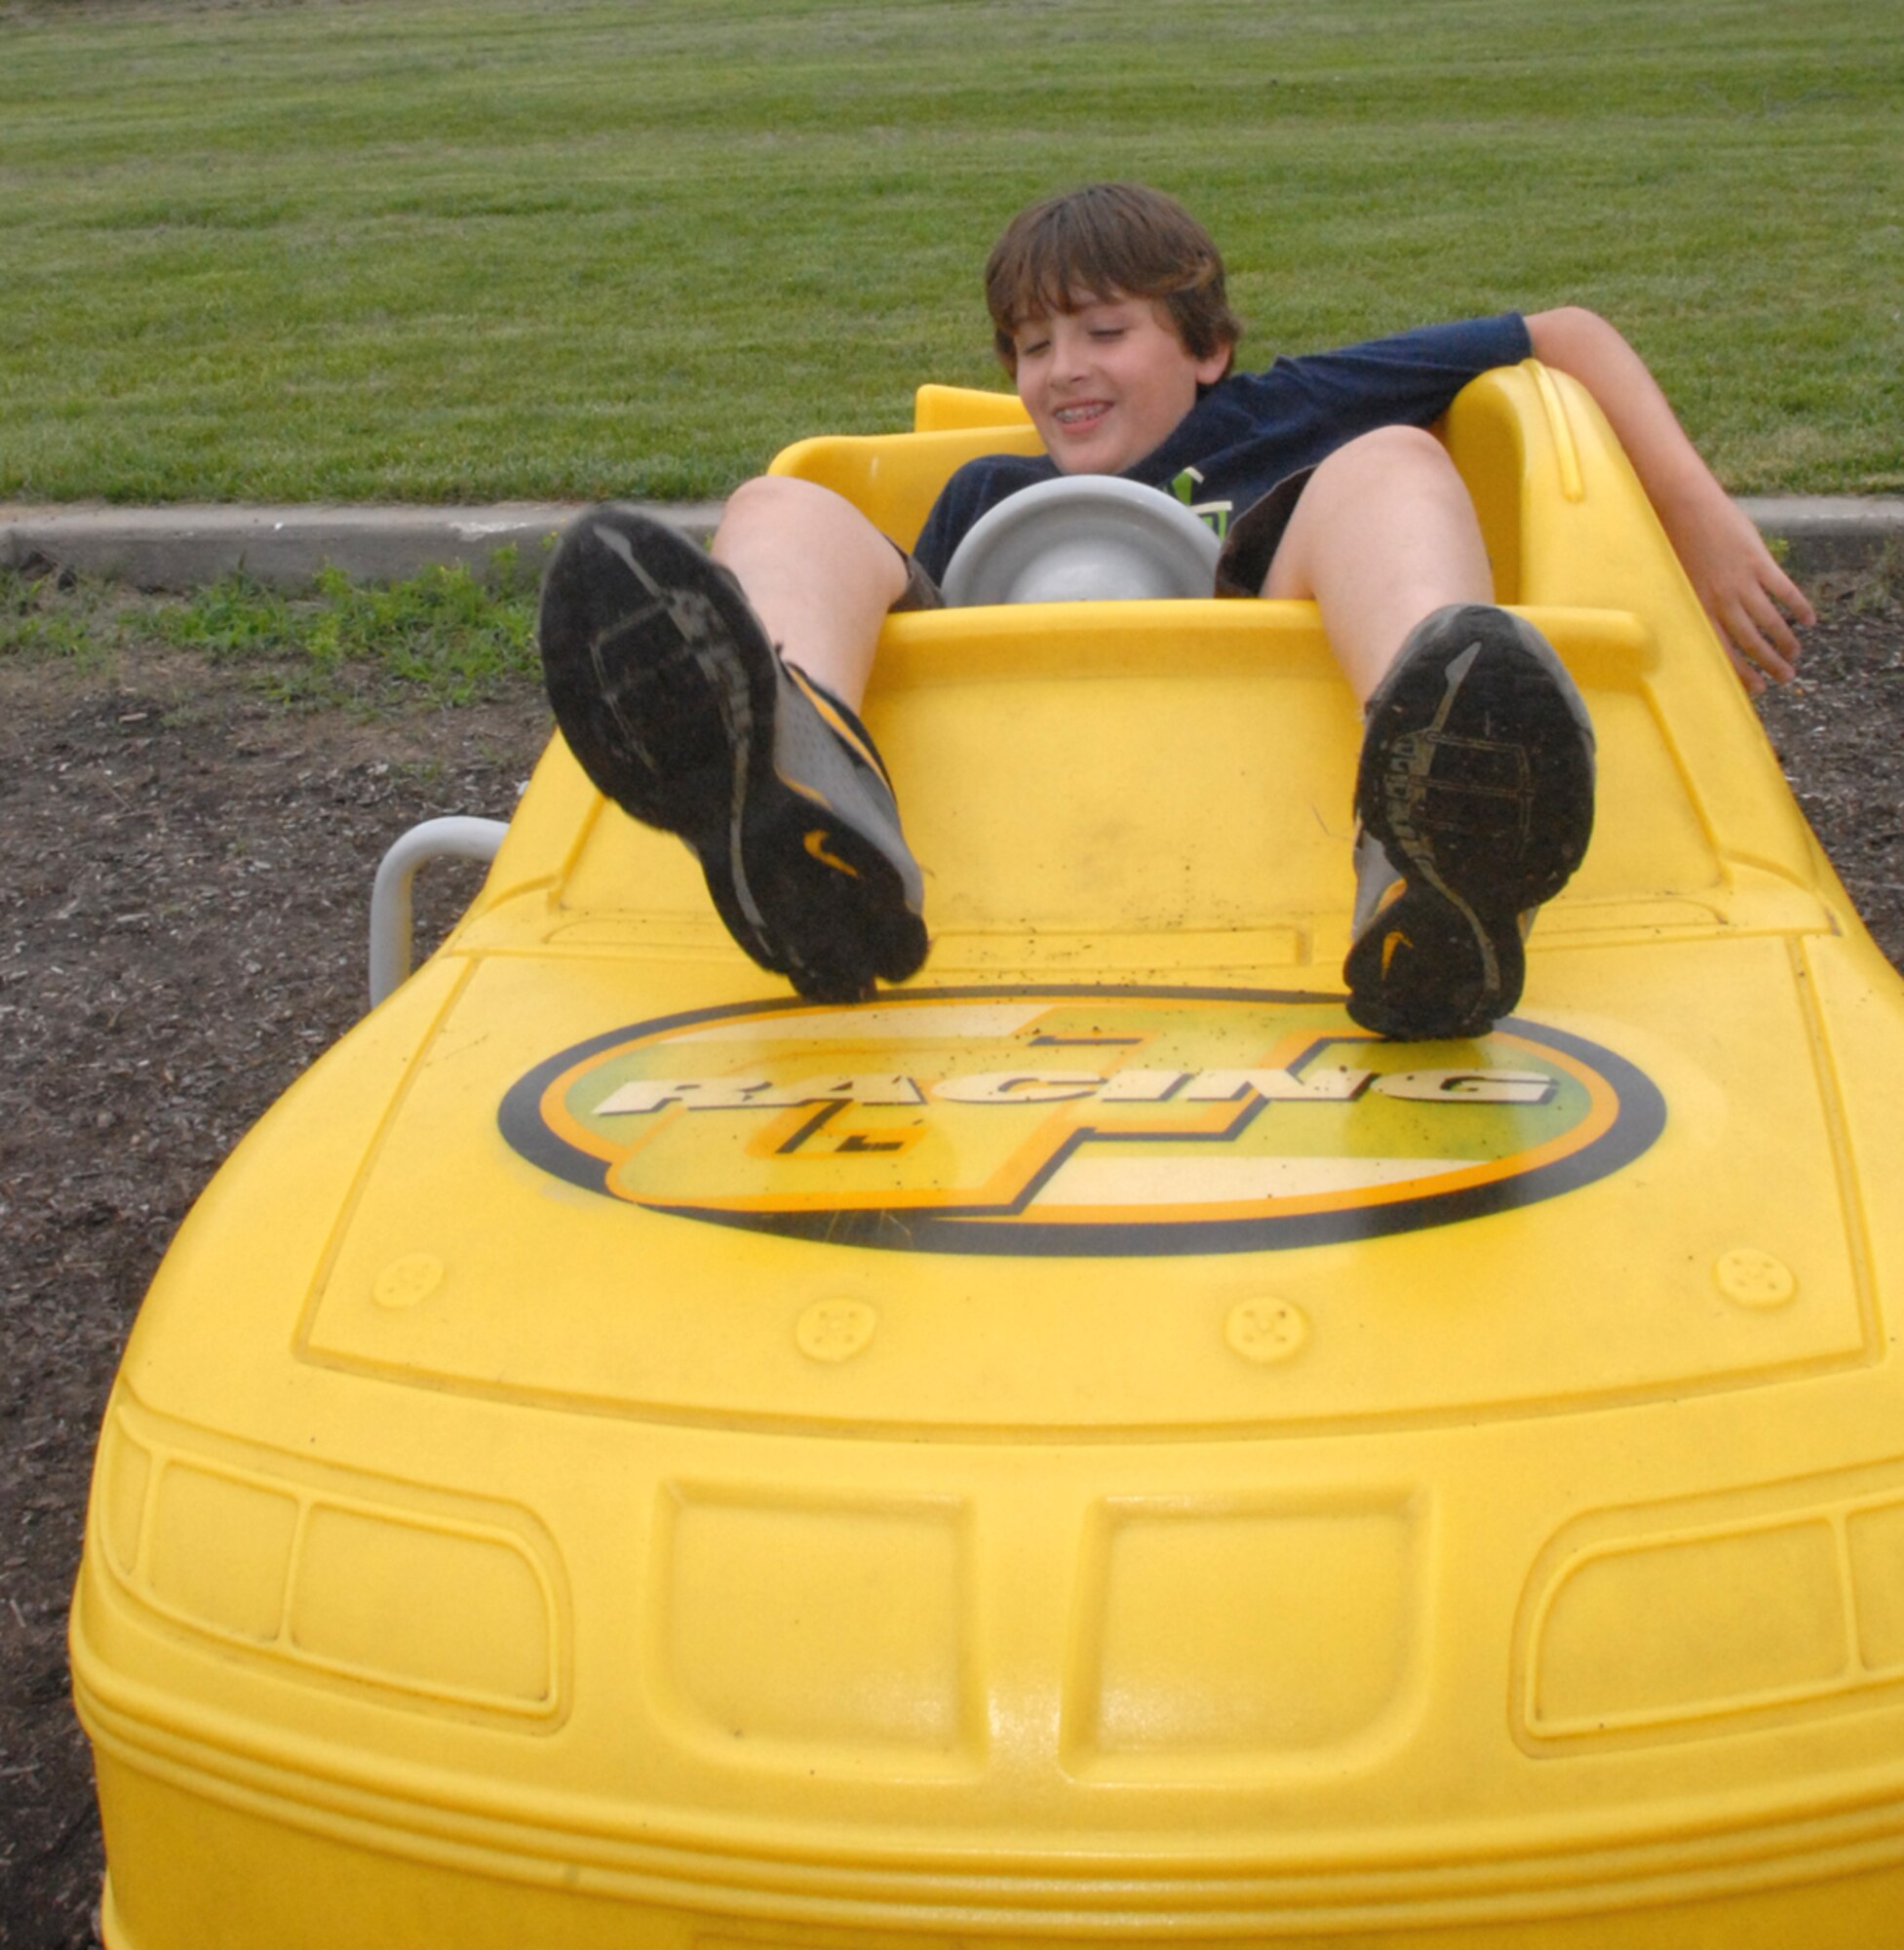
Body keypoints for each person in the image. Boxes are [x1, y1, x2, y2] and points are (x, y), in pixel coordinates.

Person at [538, 182, 1811, 1036]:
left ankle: (1434, 819)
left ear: (1203, 347)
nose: (1061, 371)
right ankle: (790, 792)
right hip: (1016, 816)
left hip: (1262, 766)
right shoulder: (990, 489)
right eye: (1030, 347)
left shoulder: (1278, 413)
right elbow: (908, 619)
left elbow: (1562, 332)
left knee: (1390, 463)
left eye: (1102, 331)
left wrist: (1695, 523)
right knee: (781, 503)